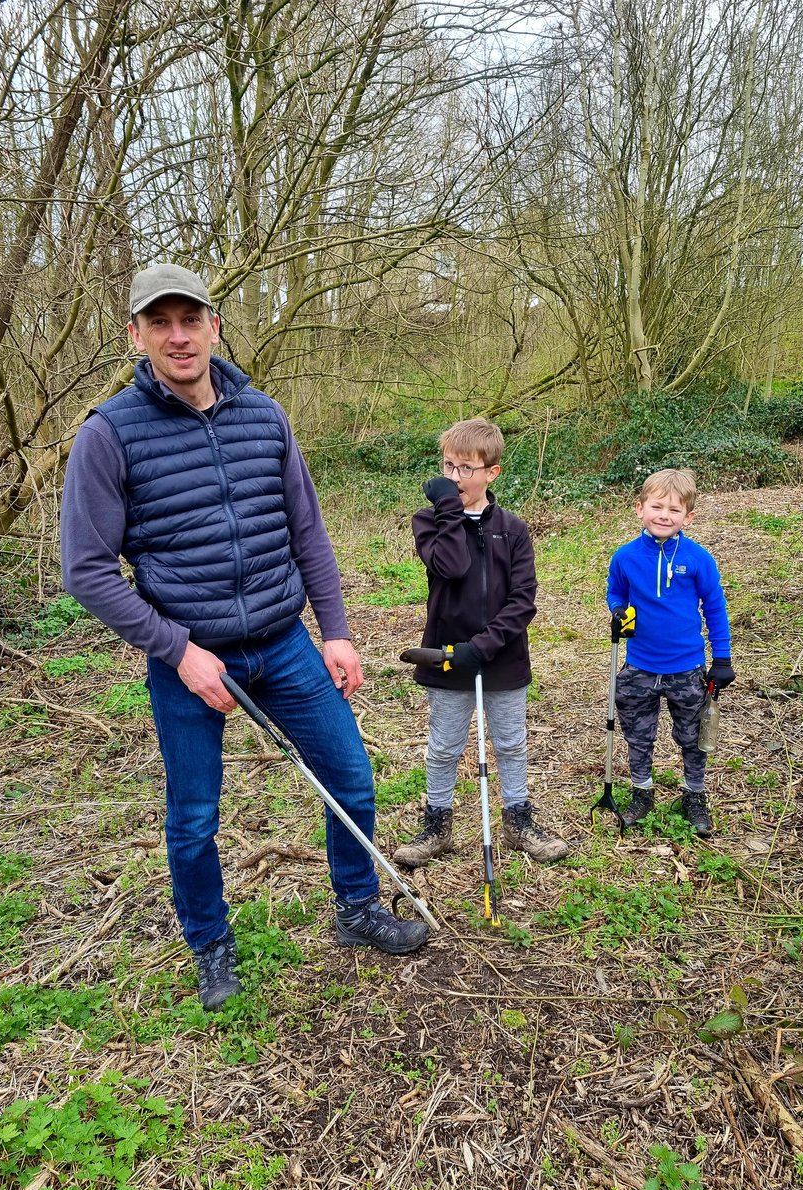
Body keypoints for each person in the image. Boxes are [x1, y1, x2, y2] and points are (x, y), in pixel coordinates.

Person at [60, 263, 429, 1012]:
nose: (178, 335)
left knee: (351, 778)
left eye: (189, 318)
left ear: (214, 324)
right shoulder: (108, 436)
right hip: (191, 658)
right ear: (136, 335)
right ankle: (210, 944)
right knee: (194, 818)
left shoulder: (265, 415)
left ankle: (357, 908)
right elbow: (87, 571)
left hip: (284, 641)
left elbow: (308, 533)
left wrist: (337, 633)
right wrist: (179, 651)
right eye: (159, 322)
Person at [394, 418, 569, 867]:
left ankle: (518, 820)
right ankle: (437, 824)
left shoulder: (513, 529)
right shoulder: (429, 521)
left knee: (511, 742)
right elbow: (450, 566)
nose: (453, 478)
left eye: (465, 468)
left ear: (491, 472)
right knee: (445, 745)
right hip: (447, 655)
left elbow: (522, 600)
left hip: (502, 657)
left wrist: (485, 646)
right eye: (448, 466)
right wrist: (449, 510)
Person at [606, 467, 735, 837]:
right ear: (640, 509)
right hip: (639, 666)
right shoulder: (626, 557)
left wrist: (722, 658)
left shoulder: (698, 558)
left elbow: (714, 607)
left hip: (687, 667)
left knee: (695, 735)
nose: (665, 515)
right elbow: (615, 591)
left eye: (674, 510)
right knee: (638, 733)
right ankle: (642, 792)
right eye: (657, 506)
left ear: (688, 517)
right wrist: (617, 610)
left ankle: (694, 794)